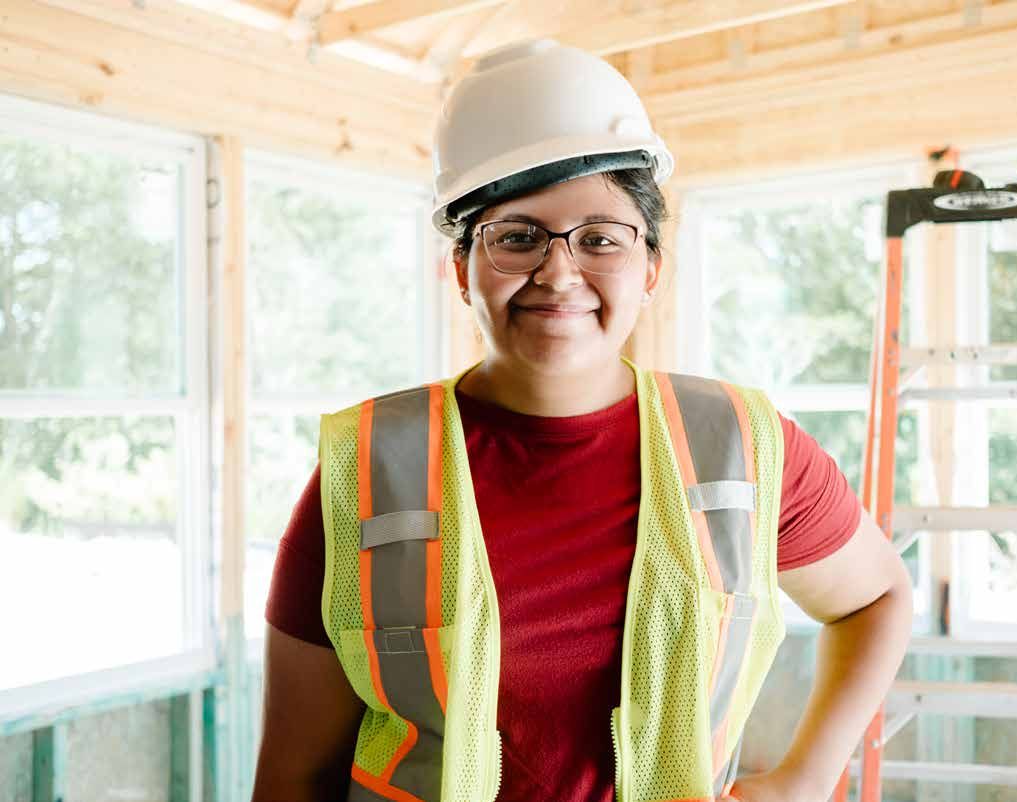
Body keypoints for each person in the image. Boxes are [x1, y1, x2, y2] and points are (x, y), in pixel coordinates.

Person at [252, 39, 912, 802]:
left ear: (651, 270)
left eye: (600, 238)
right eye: (516, 236)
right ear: (462, 269)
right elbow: (292, 778)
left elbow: (875, 599)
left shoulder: (743, 449)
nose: (558, 272)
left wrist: (803, 779)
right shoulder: (367, 475)